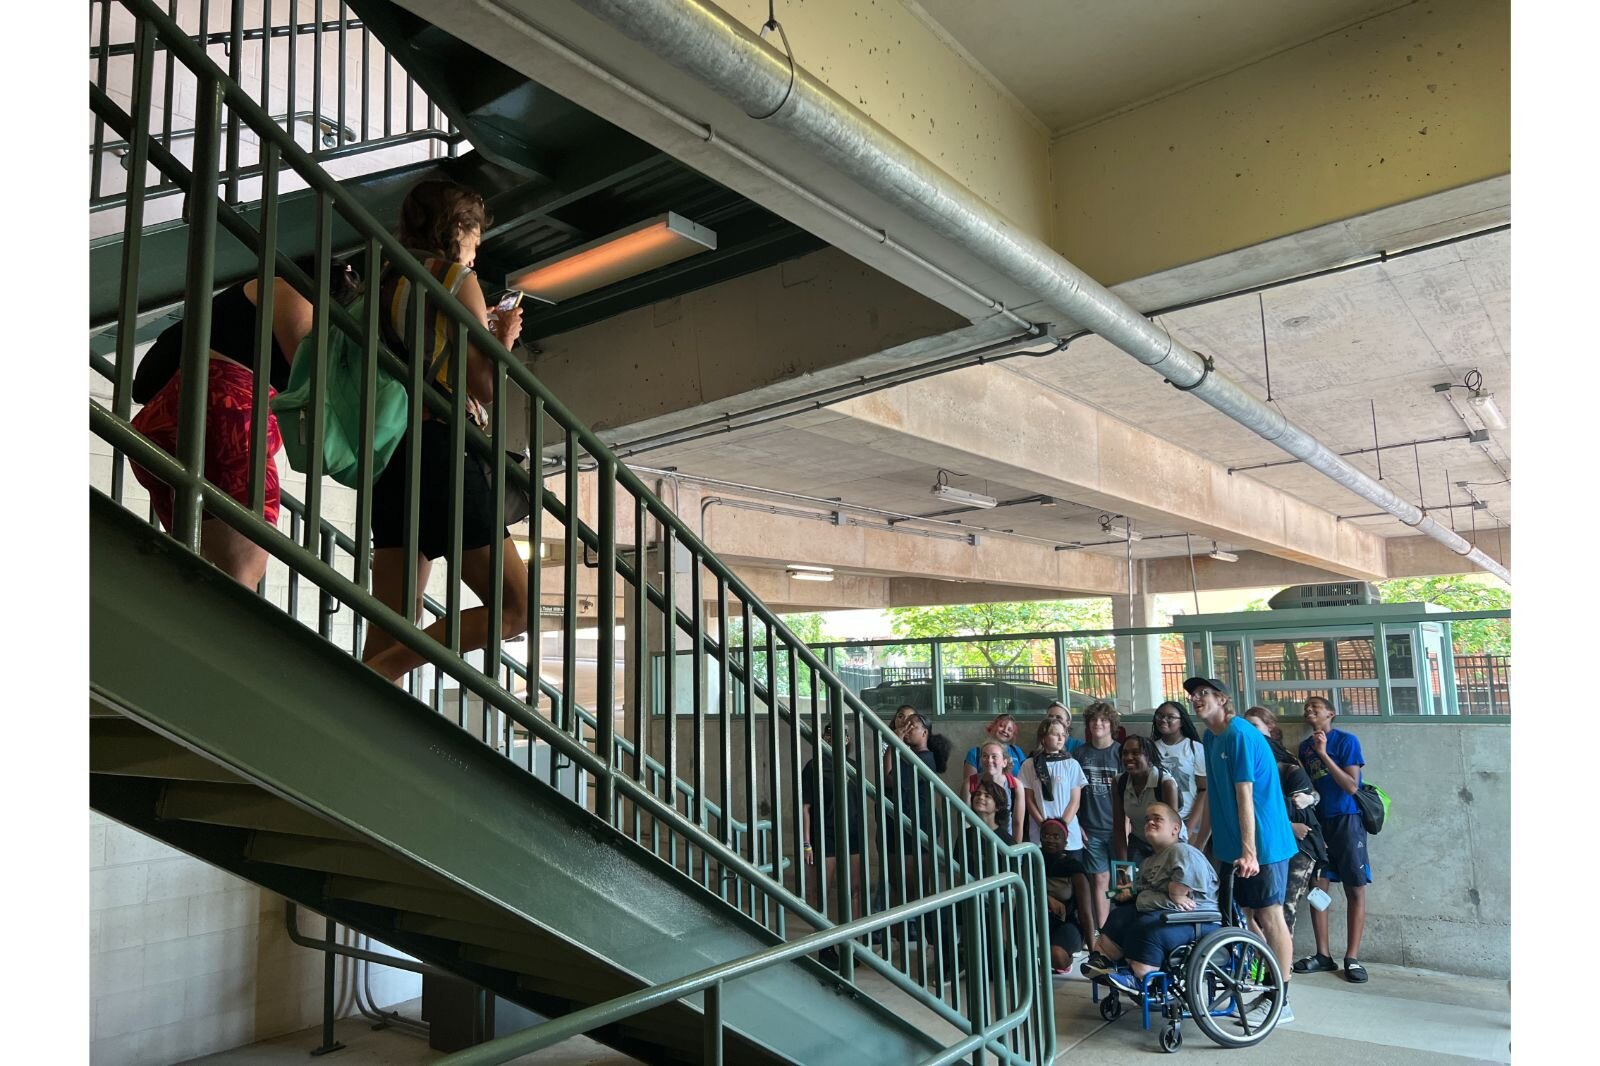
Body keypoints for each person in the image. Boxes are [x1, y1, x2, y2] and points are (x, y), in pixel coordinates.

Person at [361, 179, 529, 682]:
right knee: (514, 607)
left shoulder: (382, 280)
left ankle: (362, 691)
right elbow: (485, 385)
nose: (476, 250)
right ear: (457, 228)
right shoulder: (455, 278)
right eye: (475, 237)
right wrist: (504, 339)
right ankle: (376, 678)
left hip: (391, 450)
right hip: (440, 448)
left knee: (392, 621)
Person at [129, 258, 358, 586]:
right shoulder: (293, 295)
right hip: (228, 421)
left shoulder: (251, 294)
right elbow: (318, 386)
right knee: (242, 574)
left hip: (168, 422)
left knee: (196, 570)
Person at [1185, 677, 1298, 1027]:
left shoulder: (1239, 735)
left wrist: (1250, 852)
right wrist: (1198, 847)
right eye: (1193, 695)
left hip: (1264, 843)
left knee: (1270, 915)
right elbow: (1214, 796)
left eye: (1204, 693)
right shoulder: (1210, 737)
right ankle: (1268, 985)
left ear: (1222, 699)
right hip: (1233, 845)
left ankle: (1281, 1000)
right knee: (1243, 917)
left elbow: (1244, 794)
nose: (1196, 699)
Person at [1080, 802, 1219, 996]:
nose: (1150, 822)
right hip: (1163, 914)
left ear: (1175, 829)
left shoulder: (1183, 851)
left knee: (1146, 926)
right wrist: (1124, 893)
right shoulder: (1149, 861)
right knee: (1120, 916)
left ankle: (1140, 977)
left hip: (1195, 920)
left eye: (1157, 819)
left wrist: (1176, 892)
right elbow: (1139, 890)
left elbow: (1187, 882)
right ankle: (1102, 959)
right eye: (1147, 820)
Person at [1296, 696, 1372, 984]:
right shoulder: (1304, 748)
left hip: (1347, 820)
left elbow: (1352, 786)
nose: (1309, 710)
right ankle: (1323, 954)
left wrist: (1324, 753)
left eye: (1315, 706)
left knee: (1355, 887)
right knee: (1318, 887)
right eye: (1306, 707)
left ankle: (1352, 957)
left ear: (1331, 713)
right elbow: (1309, 787)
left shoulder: (1346, 741)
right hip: (1319, 823)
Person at [1243, 706, 1327, 940]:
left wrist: (1309, 800)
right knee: (1261, 908)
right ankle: (1263, 956)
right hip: (1269, 842)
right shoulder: (1249, 768)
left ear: (1269, 728)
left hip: (1299, 846)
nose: (1250, 733)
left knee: (1282, 909)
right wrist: (1288, 826)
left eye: (1254, 726)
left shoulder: (1287, 764)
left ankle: (1279, 961)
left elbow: (1310, 798)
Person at [1021, 719, 1092, 941]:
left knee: (1075, 888)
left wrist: (1061, 825)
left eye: (1063, 734)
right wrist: (1044, 824)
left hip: (1068, 834)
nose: (1061, 738)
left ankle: (1077, 934)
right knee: (1043, 882)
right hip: (1040, 833)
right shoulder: (1030, 764)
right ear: (1043, 737)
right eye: (1055, 733)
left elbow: (1075, 800)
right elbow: (1029, 799)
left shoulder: (1071, 764)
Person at [801, 720, 864, 969]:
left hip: (852, 835)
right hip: (824, 834)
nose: (833, 739)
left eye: (840, 735)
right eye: (828, 735)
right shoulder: (813, 766)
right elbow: (806, 808)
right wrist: (807, 843)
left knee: (855, 890)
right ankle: (825, 947)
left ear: (847, 740)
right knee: (822, 892)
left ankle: (853, 945)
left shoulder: (853, 767)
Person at [1073, 702, 1123, 930]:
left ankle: (1122, 928)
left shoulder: (1121, 752)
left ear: (1112, 724)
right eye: (1094, 720)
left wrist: (1128, 826)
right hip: (1090, 829)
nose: (1098, 724)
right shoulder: (1079, 754)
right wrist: (1076, 825)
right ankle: (1103, 931)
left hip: (1120, 830)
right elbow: (1072, 794)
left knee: (1123, 881)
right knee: (1100, 879)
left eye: (1103, 720)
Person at [1111, 735, 1181, 864]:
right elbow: (1119, 827)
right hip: (1139, 841)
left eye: (1136, 753)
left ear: (1149, 757)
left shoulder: (1165, 784)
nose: (1129, 757)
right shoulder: (1119, 782)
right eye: (1125, 753)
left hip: (1167, 843)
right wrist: (1123, 867)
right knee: (1130, 876)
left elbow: (1172, 831)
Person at [1151, 700, 1209, 845]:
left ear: (1181, 721)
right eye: (1160, 716)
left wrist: (1190, 827)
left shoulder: (1195, 748)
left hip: (1189, 820)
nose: (1163, 720)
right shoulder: (1150, 749)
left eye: (1170, 717)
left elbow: (1203, 790)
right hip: (1159, 822)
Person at [1039, 818, 1086, 973]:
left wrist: (1094, 951)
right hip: (1037, 920)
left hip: (1067, 922)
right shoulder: (1032, 860)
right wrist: (1046, 898)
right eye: (1046, 835)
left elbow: (1085, 913)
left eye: (1056, 836)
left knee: (1057, 956)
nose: (1050, 840)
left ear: (1065, 841)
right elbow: (1024, 890)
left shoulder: (1074, 867)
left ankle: (1067, 958)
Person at [968, 740, 1026, 844]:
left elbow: (1017, 822)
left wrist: (1014, 850)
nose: (989, 760)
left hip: (1004, 843)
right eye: (985, 756)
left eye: (994, 756)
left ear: (1004, 762)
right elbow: (966, 818)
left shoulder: (1016, 786)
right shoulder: (970, 783)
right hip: (976, 841)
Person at [963, 713, 1026, 784]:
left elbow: (1026, 780)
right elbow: (970, 786)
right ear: (992, 726)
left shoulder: (1017, 752)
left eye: (1009, 730)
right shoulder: (975, 753)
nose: (1005, 730)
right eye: (1001, 726)